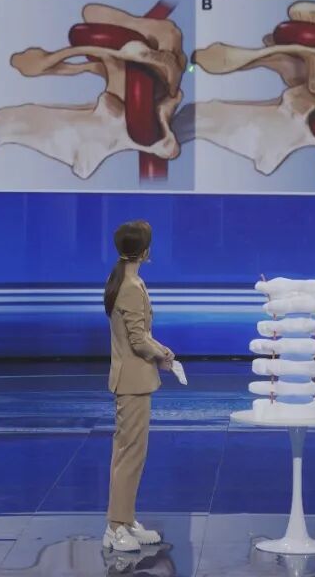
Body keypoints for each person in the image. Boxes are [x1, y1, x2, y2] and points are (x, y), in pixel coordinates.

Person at [102, 220, 176, 552]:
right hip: (131, 381)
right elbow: (137, 339)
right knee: (129, 454)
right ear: (145, 252)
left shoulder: (127, 280)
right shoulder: (130, 285)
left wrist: (159, 349)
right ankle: (115, 527)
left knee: (131, 453)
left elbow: (141, 334)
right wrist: (161, 353)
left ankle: (126, 519)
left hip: (135, 379)